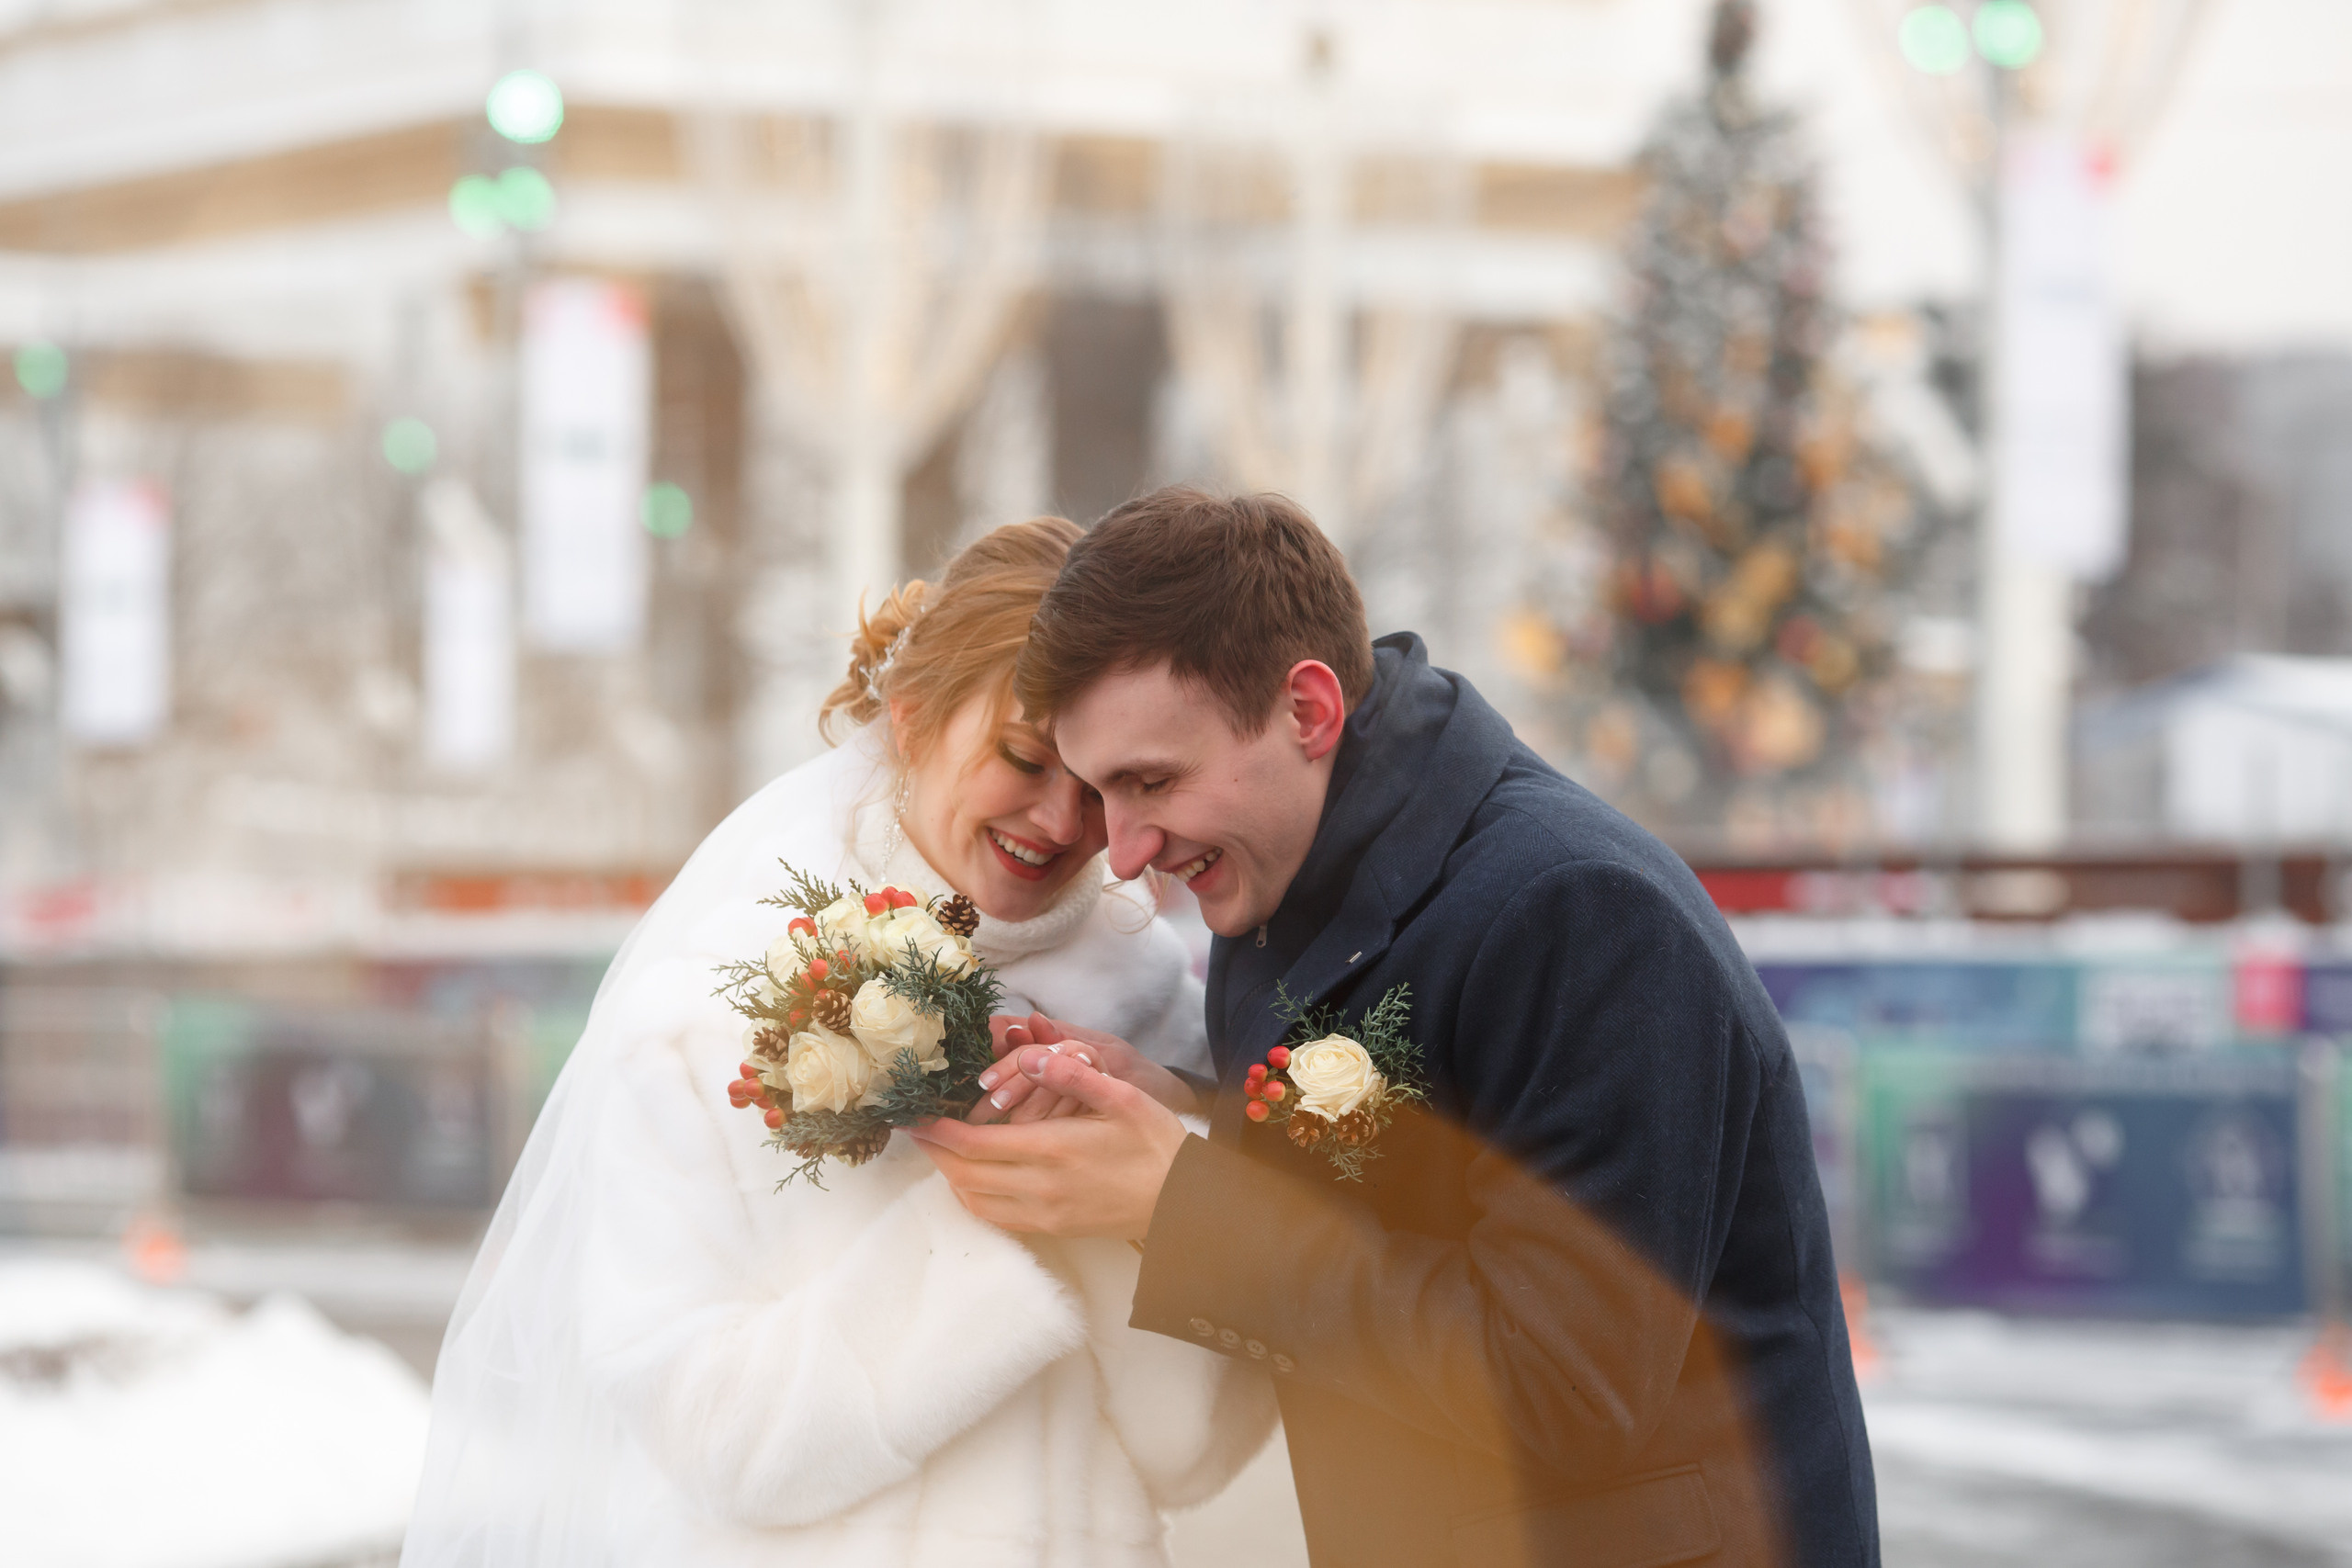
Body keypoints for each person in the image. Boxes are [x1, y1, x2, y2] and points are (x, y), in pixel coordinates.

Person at [912, 489, 1880, 1568]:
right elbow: (1426, 1185)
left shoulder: (1583, 913)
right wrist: (1177, 1108)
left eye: (1152, 781)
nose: (1128, 850)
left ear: (1308, 710)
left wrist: (1178, 1202)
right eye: (1106, 793)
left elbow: (1564, 1388)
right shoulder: (1278, 864)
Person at [401, 516, 1273, 1568]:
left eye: (1100, 786)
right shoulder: (711, 1011)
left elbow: (1194, 1453)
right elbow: (706, 1431)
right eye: (1024, 759)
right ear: (910, 719)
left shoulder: (1150, 1012)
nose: (1060, 821)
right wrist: (988, 1218)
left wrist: (1140, 1200)